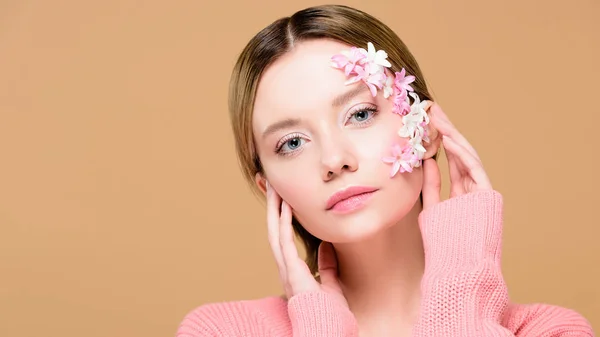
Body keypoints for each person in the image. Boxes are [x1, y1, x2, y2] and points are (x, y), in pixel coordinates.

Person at [176, 4, 594, 337]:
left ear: (426, 129)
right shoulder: (220, 331)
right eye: (292, 143)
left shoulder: (551, 331)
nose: (333, 159)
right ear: (270, 187)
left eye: (360, 114)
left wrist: (459, 302)